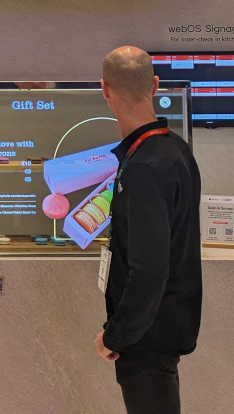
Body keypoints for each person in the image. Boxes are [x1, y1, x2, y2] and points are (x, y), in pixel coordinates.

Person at [94, 47, 202, 414]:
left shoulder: (145, 167)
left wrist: (117, 335)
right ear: (154, 85)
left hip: (147, 336)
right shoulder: (174, 151)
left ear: (105, 89)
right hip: (159, 329)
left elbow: (149, 270)